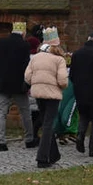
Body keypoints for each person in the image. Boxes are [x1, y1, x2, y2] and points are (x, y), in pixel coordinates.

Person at [24, 27, 68, 168]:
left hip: (37, 92)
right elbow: (62, 80)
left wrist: (36, 83)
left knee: (45, 122)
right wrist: (61, 87)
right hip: (52, 94)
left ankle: (54, 155)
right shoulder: (59, 60)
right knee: (48, 124)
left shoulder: (36, 57)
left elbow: (27, 76)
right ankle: (42, 158)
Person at [0, 22, 34, 151]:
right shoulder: (24, 45)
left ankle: (2, 142)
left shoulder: (0, 43)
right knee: (25, 112)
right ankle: (29, 139)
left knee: (1, 112)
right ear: (23, 32)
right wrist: (27, 84)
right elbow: (26, 66)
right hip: (19, 85)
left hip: (3, 83)